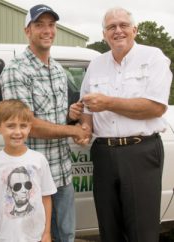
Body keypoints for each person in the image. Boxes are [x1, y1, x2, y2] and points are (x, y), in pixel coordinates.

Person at [71, 7, 173, 242]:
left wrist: (107, 103)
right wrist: (82, 124)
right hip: (104, 153)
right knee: (109, 228)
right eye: (111, 27)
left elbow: (156, 107)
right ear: (104, 34)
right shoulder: (96, 64)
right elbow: (87, 109)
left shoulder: (153, 57)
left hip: (141, 151)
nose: (118, 31)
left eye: (123, 25)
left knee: (142, 231)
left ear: (134, 30)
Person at [0, 4, 90, 241]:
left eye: (51, 25)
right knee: (35, 237)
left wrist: (72, 115)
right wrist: (73, 130)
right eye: (39, 25)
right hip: (31, 180)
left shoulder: (59, 70)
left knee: (66, 236)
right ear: (27, 31)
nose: (47, 30)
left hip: (62, 174)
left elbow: (54, 119)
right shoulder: (16, 70)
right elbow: (29, 125)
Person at [0, 99, 57, 242]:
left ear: (29, 127)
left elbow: (46, 197)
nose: (18, 132)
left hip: (36, 236)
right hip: (5, 237)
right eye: (10, 126)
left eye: (23, 126)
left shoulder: (39, 160)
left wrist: (46, 232)